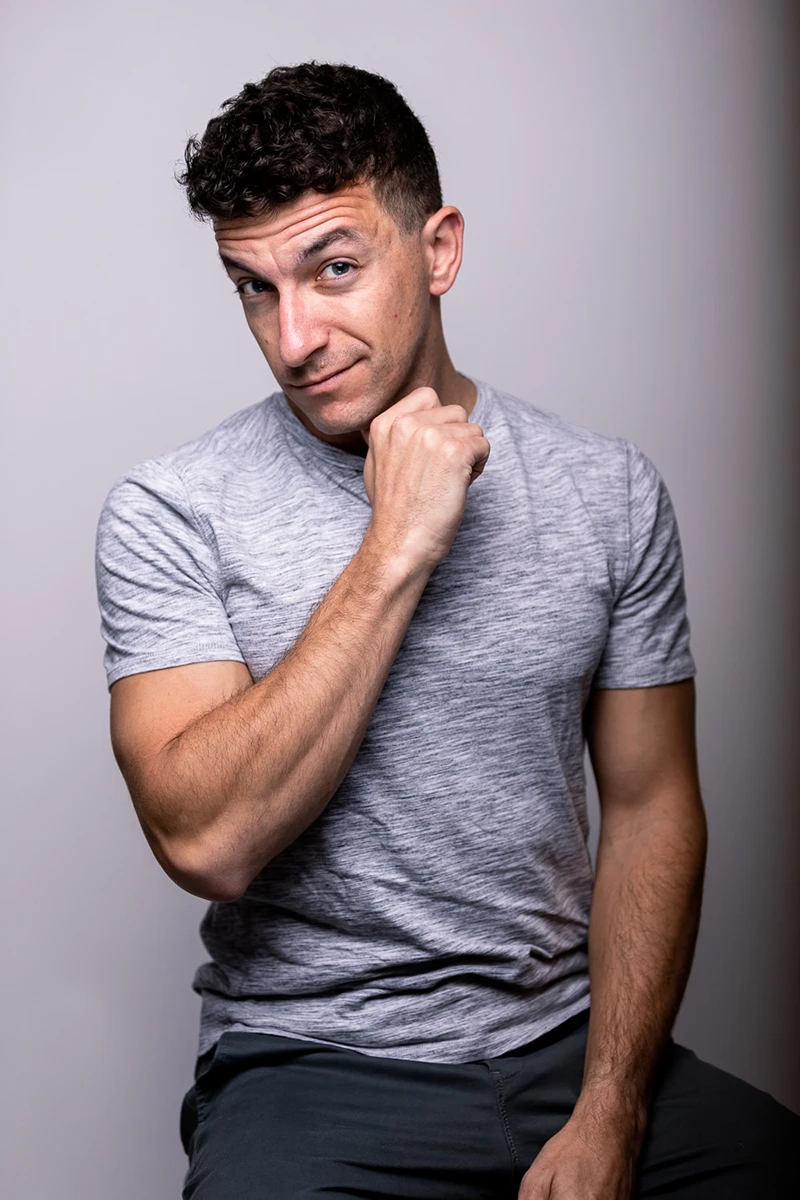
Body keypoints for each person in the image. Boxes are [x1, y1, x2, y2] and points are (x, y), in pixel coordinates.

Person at [94, 62, 797, 1199]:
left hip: (570, 1046)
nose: (293, 337)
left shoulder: (607, 492)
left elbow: (652, 803)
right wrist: (394, 548)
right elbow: (205, 845)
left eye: (332, 270)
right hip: (311, 1063)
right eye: (254, 289)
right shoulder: (172, 509)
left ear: (438, 250)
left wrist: (609, 1108)